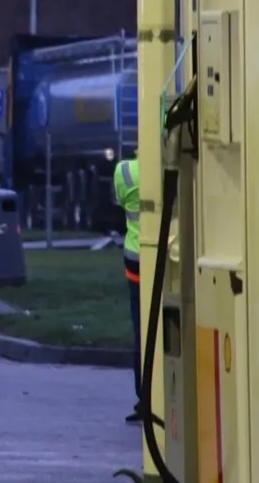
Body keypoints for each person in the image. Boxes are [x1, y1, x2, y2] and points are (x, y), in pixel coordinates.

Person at [115, 155, 143, 424]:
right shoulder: (169, 165)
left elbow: (121, 202)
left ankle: (143, 398)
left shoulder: (124, 171)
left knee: (141, 333)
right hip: (168, 256)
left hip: (135, 260)